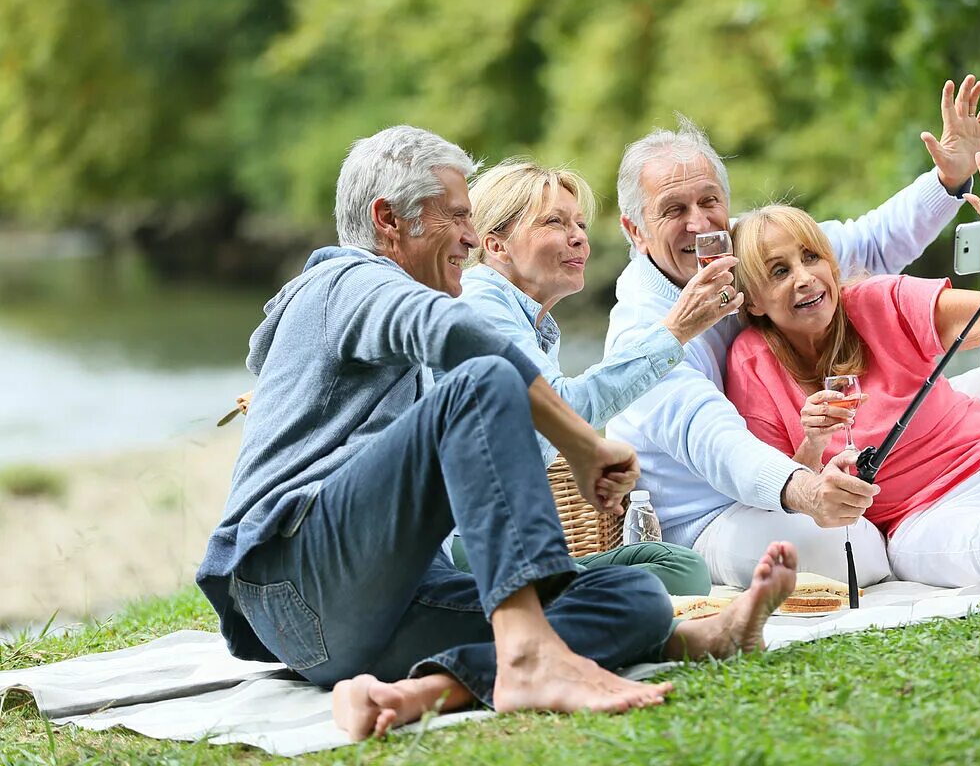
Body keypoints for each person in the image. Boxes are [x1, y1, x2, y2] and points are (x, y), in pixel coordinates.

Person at [194, 124, 799, 743]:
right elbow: (461, 344)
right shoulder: (345, 280)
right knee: (482, 377)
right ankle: (529, 652)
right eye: (456, 216)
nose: (467, 235)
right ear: (389, 220)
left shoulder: (432, 312)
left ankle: (427, 690)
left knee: (634, 595)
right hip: (294, 577)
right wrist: (582, 443)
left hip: (357, 623)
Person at [604, 77, 980, 590]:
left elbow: (867, 244)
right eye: (672, 210)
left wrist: (949, 180)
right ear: (635, 230)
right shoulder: (652, 330)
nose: (698, 222)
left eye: (709, 201)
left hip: (899, 462)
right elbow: (715, 442)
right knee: (856, 549)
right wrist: (808, 488)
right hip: (719, 507)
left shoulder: (753, 248)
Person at [725, 148, 980, 598]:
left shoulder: (881, 301)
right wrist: (813, 443)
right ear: (754, 300)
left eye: (811, 257)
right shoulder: (751, 362)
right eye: (779, 271)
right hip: (923, 518)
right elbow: (780, 489)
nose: (804, 277)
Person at [447, 157, 741, 596]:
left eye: (580, 224)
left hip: (518, 540)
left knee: (680, 567)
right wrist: (676, 330)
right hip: (467, 546)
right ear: (496, 245)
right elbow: (564, 408)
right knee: (668, 582)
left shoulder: (534, 324)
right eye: (555, 222)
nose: (579, 237)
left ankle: (568, 596)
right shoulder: (480, 302)